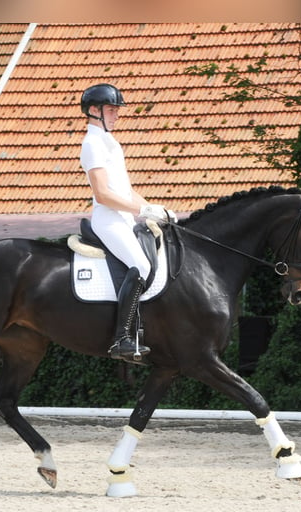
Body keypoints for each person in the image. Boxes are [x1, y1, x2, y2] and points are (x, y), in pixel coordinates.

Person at [79, 83, 173, 361]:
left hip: (123, 217)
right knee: (141, 265)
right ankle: (121, 338)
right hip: (107, 219)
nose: (116, 115)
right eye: (111, 109)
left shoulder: (111, 143)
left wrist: (154, 208)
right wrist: (142, 208)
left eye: (117, 109)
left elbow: (124, 189)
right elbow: (104, 194)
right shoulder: (92, 143)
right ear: (94, 111)